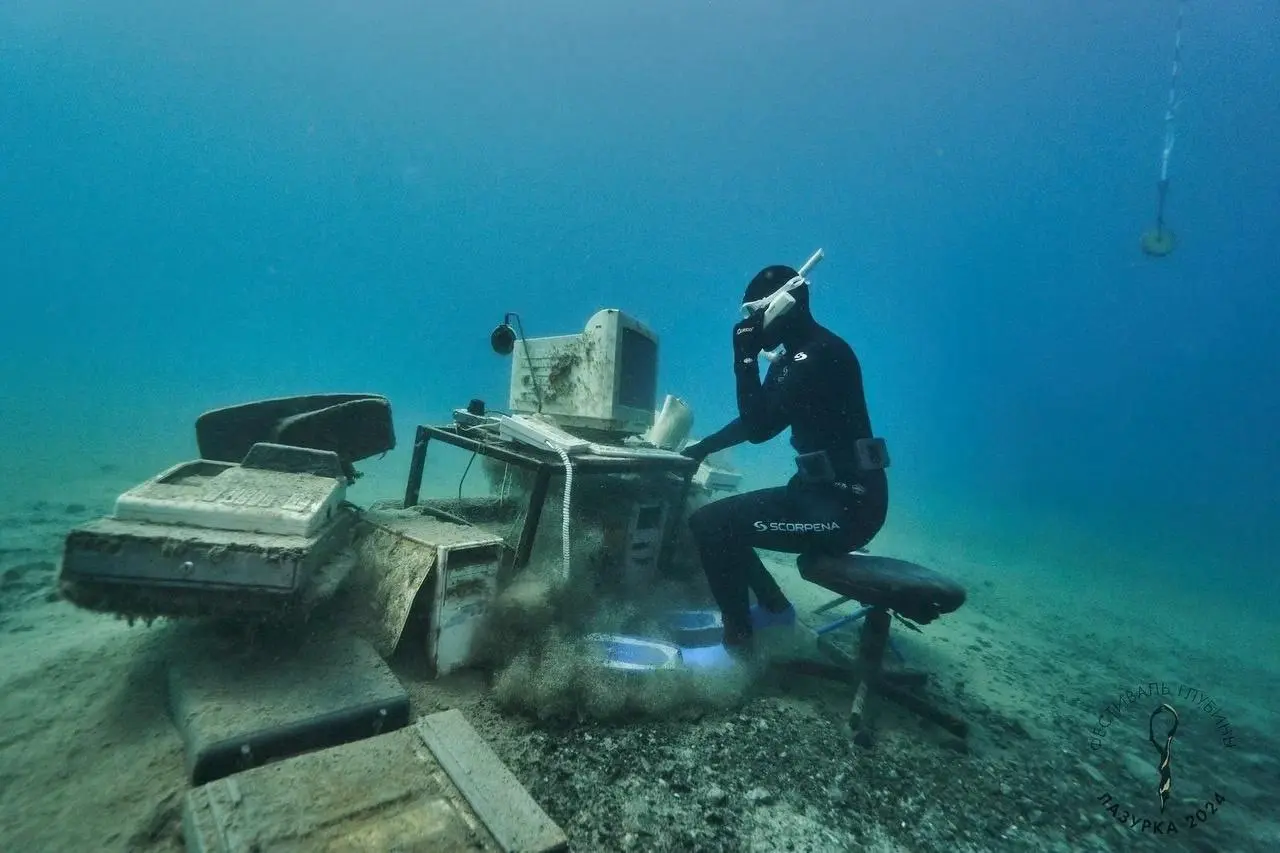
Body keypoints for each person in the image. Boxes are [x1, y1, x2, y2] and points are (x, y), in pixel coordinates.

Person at [681, 263, 889, 661]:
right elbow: (761, 418)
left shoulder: (821, 355)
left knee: (711, 525)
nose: (752, 325)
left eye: (754, 314)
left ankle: (738, 649)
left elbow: (759, 429)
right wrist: (701, 448)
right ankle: (775, 612)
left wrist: (744, 358)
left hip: (849, 507)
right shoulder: (797, 358)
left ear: (780, 306)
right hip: (817, 495)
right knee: (722, 522)